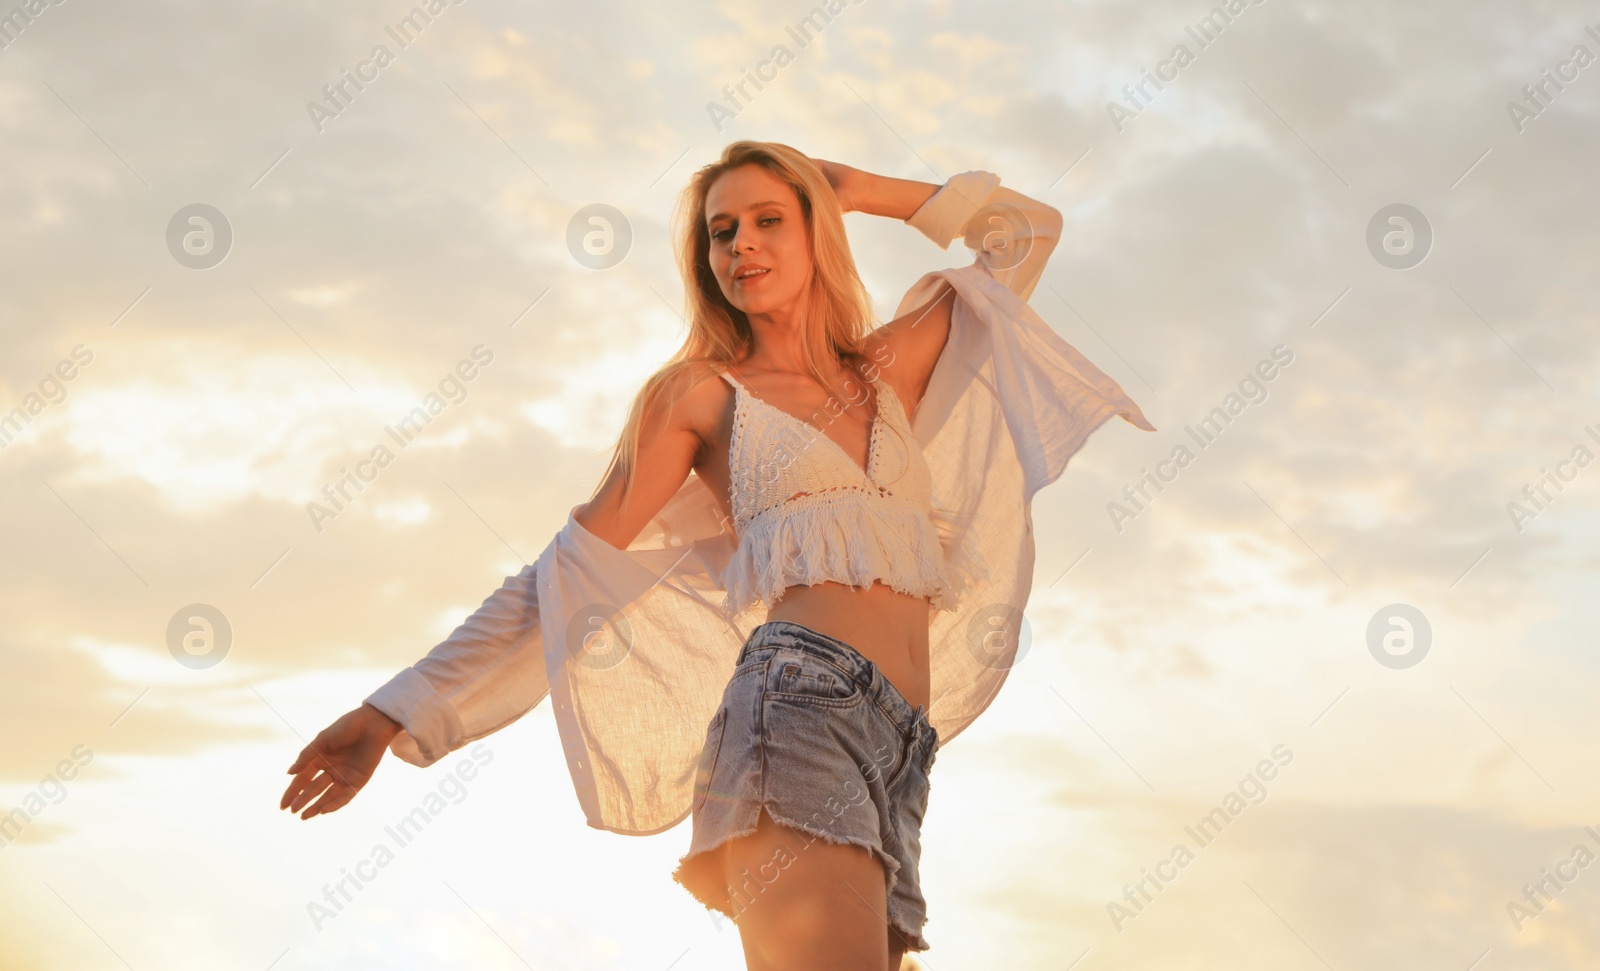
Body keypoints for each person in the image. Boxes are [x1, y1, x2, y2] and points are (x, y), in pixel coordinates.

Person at [279, 141, 1153, 970]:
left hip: (901, 747)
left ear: (818, 230)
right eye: (721, 230)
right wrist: (394, 709)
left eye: (771, 218)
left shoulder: (889, 368)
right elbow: (562, 577)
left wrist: (856, 187)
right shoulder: (700, 395)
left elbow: (1027, 232)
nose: (741, 244)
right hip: (796, 712)